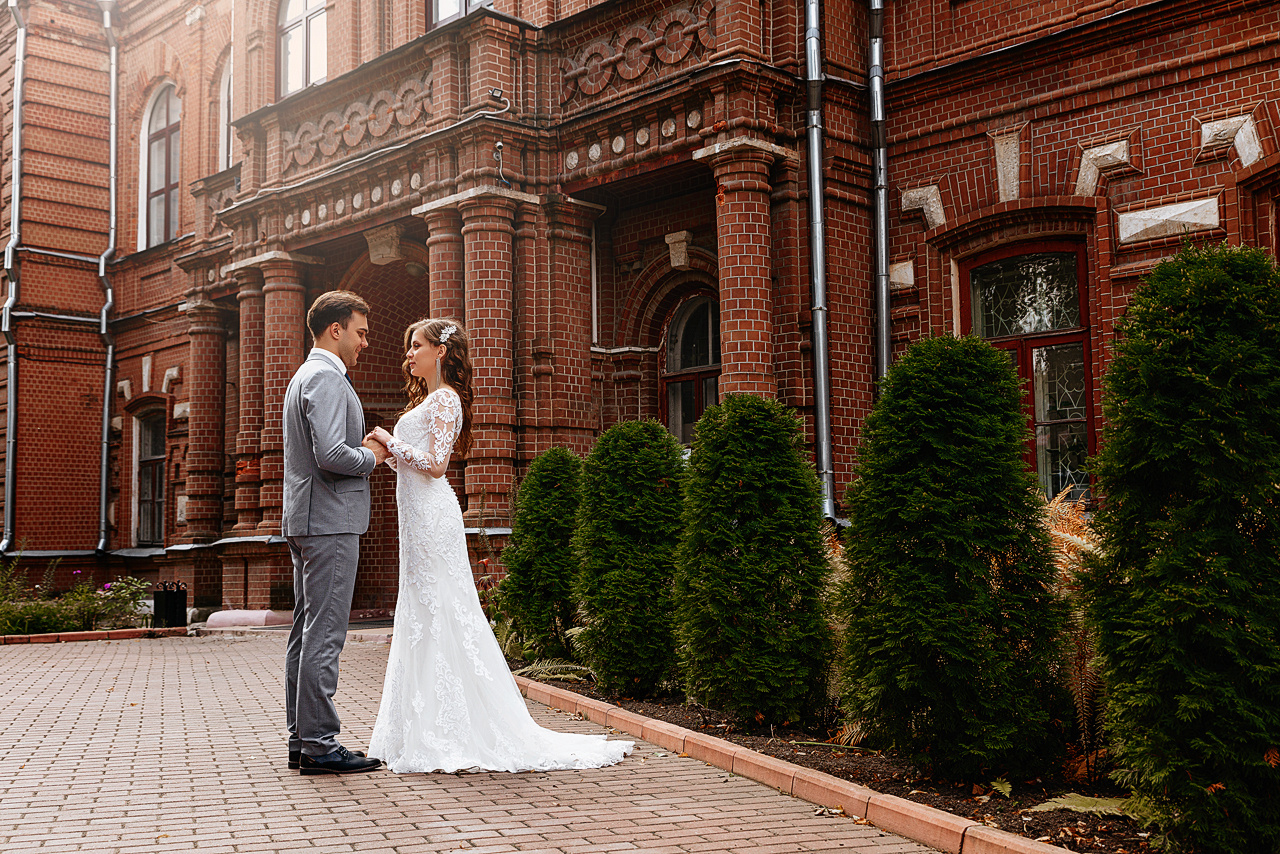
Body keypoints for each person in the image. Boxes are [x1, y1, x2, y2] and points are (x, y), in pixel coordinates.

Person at [362, 318, 633, 773]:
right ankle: (420, 725)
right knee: (422, 614)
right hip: (416, 520)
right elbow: (414, 468)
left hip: (433, 518)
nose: (408, 354)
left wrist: (389, 439)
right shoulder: (427, 400)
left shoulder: (446, 399)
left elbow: (434, 467)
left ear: (440, 352)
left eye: (416, 346)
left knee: (444, 610)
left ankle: (450, 729)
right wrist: (389, 455)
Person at [282, 290, 387, 776]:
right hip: (330, 521)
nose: (366, 342)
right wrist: (373, 456)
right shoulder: (325, 378)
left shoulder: (305, 375)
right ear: (335, 329)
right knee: (325, 633)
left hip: (307, 519)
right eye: (361, 332)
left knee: (306, 632)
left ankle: (302, 740)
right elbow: (330, 454)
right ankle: (321, 746)